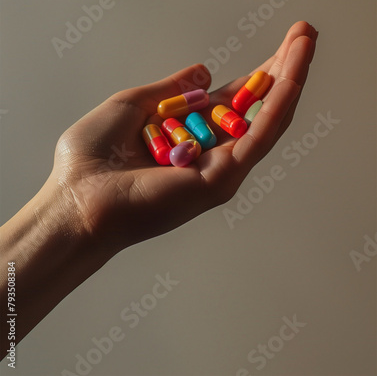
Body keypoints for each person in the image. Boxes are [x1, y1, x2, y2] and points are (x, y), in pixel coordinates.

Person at [0, 20, 318, 358]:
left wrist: (73, 207)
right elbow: (170, 118)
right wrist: (74, 205)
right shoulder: (167, 123)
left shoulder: (172, 122)